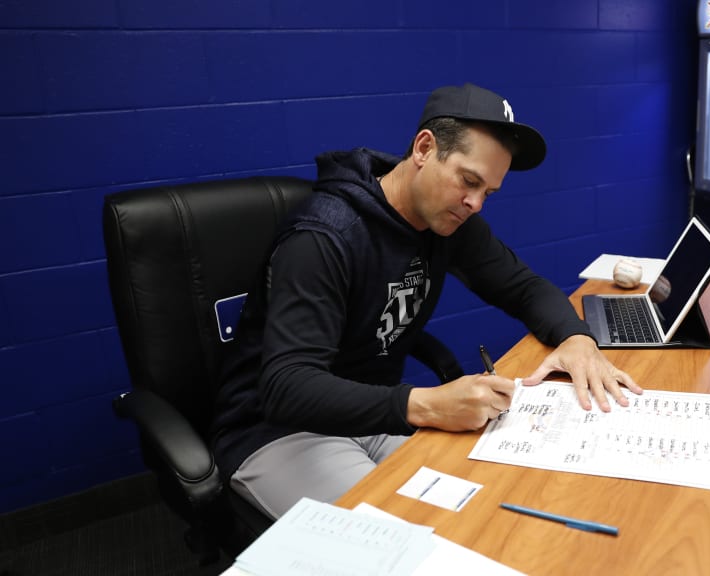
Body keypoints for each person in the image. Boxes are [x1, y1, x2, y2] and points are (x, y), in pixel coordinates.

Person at [211, 83, 641, 519]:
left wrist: (576, 339)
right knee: (405, 537)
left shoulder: (449, 221)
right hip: (277, 431)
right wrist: (429, 404)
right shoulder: (323, 237)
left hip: (375, 415)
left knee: (484, 509)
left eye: (488, 193)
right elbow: (288, 388)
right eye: (468, 181)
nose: (475, 203)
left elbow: (524, 287)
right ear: (423, 148)